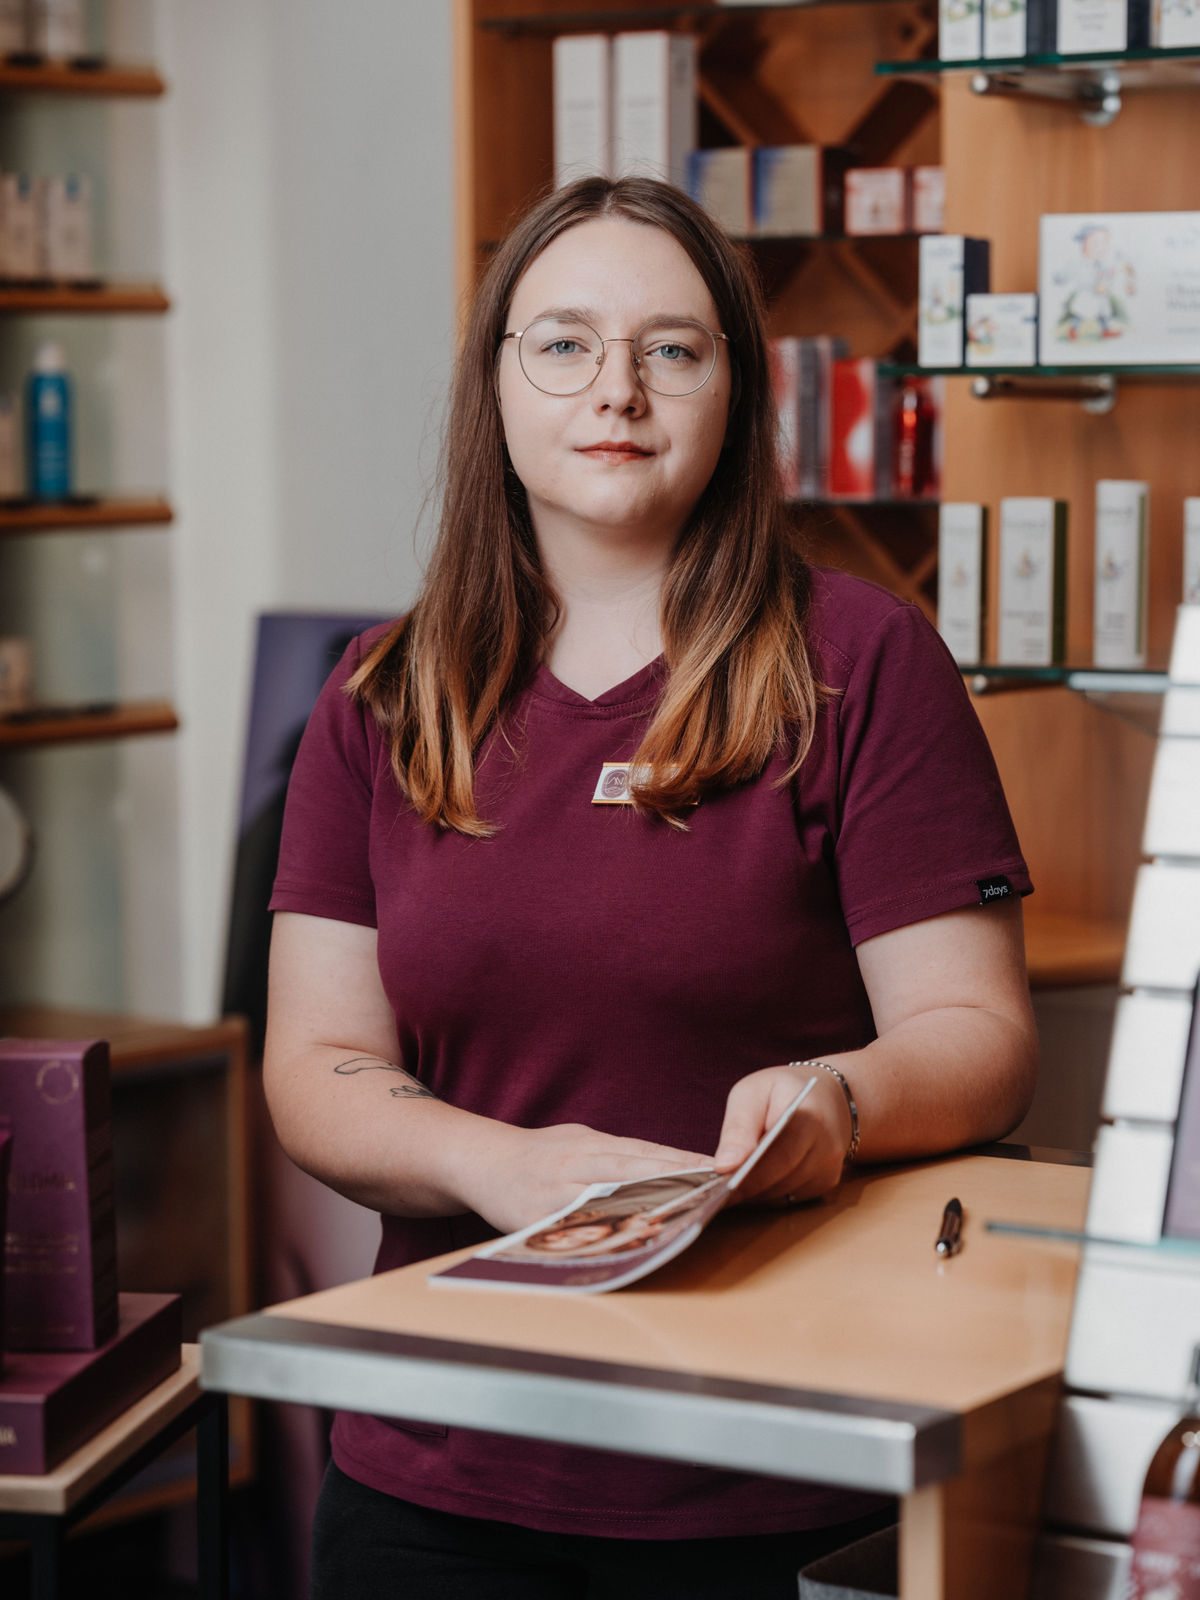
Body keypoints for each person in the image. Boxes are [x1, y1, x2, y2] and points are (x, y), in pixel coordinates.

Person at [263, 175, 1038, 1599]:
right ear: (494, 386)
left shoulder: (863, 662)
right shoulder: (380, 697)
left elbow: (980, 1040)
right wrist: (509, 1170)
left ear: (736, 392)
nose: (615, 387)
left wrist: (837, 1102)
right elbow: (316, 1067)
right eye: (562, 344)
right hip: (438, 1466)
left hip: (780, 1471)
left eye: (671, 350)